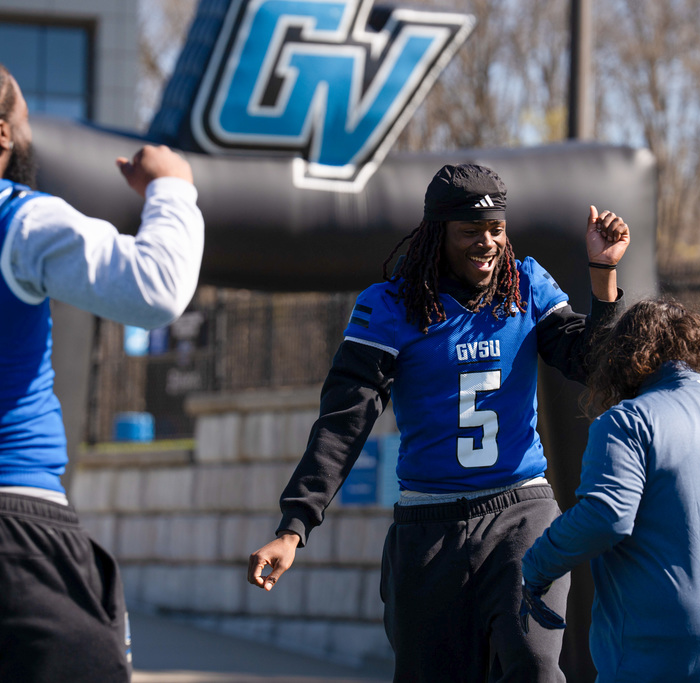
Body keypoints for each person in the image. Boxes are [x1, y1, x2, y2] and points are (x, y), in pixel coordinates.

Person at [248, 163, 629, 682]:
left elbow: (591, 362)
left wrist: (602, 277)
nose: (488, 243)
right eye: (470, 232)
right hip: (429, 528)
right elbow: (343, 422)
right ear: (437, 233)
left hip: (521, 512)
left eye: (496, 230)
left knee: (536, 667)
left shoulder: (527, 285)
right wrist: (294, 526)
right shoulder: (389, 307)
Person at [0, 64, 204, 682]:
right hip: (15, 530)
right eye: (26, 121)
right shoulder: (20, 220)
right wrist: (172, 187)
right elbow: (156, 288)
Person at [520, 300, 700, 682]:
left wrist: (535, 565)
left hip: (659, 656)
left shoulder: (627, 422)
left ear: (623, 358)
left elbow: (606, 517)